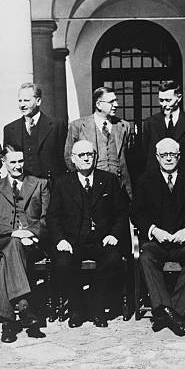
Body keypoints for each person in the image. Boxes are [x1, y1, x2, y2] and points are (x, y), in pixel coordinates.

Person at [48, 140, 129, 328]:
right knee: (63, 262)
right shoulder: (62, 183)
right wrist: (60, 240)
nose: (86, 158)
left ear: (95, 156)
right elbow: (53, 217)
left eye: (89, 154)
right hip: (72, 241)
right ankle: (77, 308)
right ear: (73, 159)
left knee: (113, 260)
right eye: (81, 155)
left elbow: (122, 212)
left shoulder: (109, 180)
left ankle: (96, 307)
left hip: (102, 240)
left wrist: (115, 235)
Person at [132, 138, 185, 336]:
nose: (168, 159)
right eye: (164, 155)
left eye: (172, 155)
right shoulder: (145, 180)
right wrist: (155, 231)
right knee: (146, 258)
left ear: (179, 156)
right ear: (157, 157)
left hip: (184, 241)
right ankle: (168, 311)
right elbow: (137, 213)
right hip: (157, 240)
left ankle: (170, 312)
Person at [0, 146, 50, 343]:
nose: (18, 166)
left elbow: (47, 219)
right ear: (4, 163)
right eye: (12, 162)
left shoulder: (40, 184)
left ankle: (7, 323)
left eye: (20, 161)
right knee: (12, 245)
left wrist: (30, 232)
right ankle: (25, 307)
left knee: (10, 256)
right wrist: (14, 233)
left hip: (32, 243)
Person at [64, 87, 133, 197]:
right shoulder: (78, 126)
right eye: (111, 102)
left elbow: (129, 157)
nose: (116, 105)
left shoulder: (124, 126)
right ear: (99, 104)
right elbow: (69, 158)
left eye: (116, 101)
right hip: (91, 189)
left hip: (119, 188)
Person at [3, 83, 68, 181]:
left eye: (26, 101)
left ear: (38, 101)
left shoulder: (56, 125)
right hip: (23, 187)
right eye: (20, 101)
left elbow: (63, 159)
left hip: (51, 185)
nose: (22, 105)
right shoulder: (10, 129)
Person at [142, 80, 185, 176]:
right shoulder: (149, 123)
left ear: (179, 98)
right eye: (161, 100)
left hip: (184, 179)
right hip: (156, 181)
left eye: (168, 100)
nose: (164, 104)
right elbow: (145, 156)